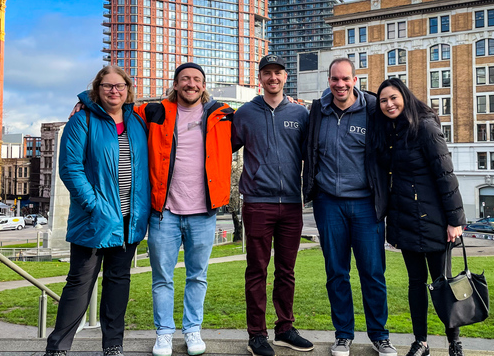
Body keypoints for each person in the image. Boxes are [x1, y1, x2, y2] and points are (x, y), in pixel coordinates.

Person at [45, 65, 151, 356]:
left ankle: (113, 345)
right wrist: (95, 206)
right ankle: (57, 347)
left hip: (130, 219)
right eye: (107, 86)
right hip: (94, 220)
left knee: (118, 283)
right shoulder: (83, 120)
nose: (114, 91)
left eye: (119, 86)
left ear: (128, 90)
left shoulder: (138, 121)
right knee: (80, 283)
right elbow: (70, 169)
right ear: (97, 89)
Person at [138, 63, 234, 356]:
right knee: (162, 278)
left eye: (197, 80)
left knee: (197, 276)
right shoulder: (154, 112)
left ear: (204, 85)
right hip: (164, 212)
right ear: (176, 84)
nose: (191, 84)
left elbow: (256, 120)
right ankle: (164, 333)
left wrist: (290, 101)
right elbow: (115, 100)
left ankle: (193, 330)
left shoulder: (224, 114)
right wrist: (84, 99)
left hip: (204, 213)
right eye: (185, 79)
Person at [303, 58, 395, 356]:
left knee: (372, 272)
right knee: (336, 273)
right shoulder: (318, 110)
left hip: (366, 206)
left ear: (355, 80)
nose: (340, 85)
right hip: (328, 203)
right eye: (334, 79)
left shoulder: (372, 111)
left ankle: (380, 335)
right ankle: (343, 334)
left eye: (345, 79)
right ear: (328, 80)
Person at [372, 78, 466, 356]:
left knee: (443, 283)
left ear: (405, 96)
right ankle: (421, 341)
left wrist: (455, 220)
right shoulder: (392, 132)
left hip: (435, 221)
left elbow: (445, 175)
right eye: (383, 101)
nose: (389, 104)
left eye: (393, 98)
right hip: (406, 222)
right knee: (416, 284)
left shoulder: (424, 127)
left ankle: (454, 342)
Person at [232, 55, 313, 356]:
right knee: (257, 270)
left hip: (292, 204)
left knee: (286, 271)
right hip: (256, 203)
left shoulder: (300, 113)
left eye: (277, 73)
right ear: (260, 77)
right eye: (267, 73)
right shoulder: (245, 114)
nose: (273, 78)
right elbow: (222, 143)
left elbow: (314, 150)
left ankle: (285, 328)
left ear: (285, 76)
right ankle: (256, 334)